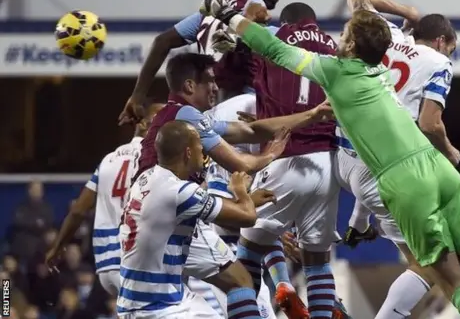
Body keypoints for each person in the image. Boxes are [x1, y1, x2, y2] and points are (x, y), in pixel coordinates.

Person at [200, 0, 460, 319]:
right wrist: (410, 15)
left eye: (345, 33)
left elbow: (273, 49)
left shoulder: (334, 70)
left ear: (350, 43)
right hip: (438, 167)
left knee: (453, 284)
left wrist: (230, 15)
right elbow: (365, 15)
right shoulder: (380, 62)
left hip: (404, 181)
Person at [132, 52, 332, 314]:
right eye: (209, 81)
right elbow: (241, 165)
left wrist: (312, 115)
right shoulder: (188, 118)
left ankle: (281, 281)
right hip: (171, 209)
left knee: (154, 299)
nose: (215, 87)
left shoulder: (181, 116)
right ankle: (284, 282)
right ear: (191, 86)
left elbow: (250, 130)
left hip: (144, 206)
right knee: (241, 278)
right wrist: (269, 156)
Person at [334, 0, 460, 319]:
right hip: (379, 170)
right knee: (428, 266)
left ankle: (358, 221)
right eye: (452, 49)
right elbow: (430, 124)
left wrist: (408, 10)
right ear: (441, 41)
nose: (451, 55)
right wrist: (449, 151)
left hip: (343, 153)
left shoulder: (387, 34)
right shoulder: (439, 62)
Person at [226, 1, 343, 319]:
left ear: (286, 21)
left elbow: (256, 81)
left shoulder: (274, 40)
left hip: (286, 156)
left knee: (246, 259)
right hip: (328, 164)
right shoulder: (336, 47)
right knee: (318, 262)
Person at [118, 120, 274, 319]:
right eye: (200, 144)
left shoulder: (146, 178)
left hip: (153, 296)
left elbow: (197, 206)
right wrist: (240, 190)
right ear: (188, 152)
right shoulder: (179, 191)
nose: (204, 150)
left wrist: (247, 201)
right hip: (157, 308)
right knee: (240, 279)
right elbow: (248, 217)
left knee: (239, 278)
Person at [118, 0, 285, 125]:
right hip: (246, 110)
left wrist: (137, 96)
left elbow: (162, 41)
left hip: (214, 109)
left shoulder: (213, 10)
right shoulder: (256, 6)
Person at [44, 102, 163, 296]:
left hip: (106, 268)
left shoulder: (108, 159)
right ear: (142, 124)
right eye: (162, 120)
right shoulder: (155, 159)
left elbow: (78, 210)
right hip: (135, 263)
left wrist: (58, 247)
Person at [201, 92, 277, 319]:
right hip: (222, 254)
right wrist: (245, 199)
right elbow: (222, 219)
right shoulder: (228, 156)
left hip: (231, 253)